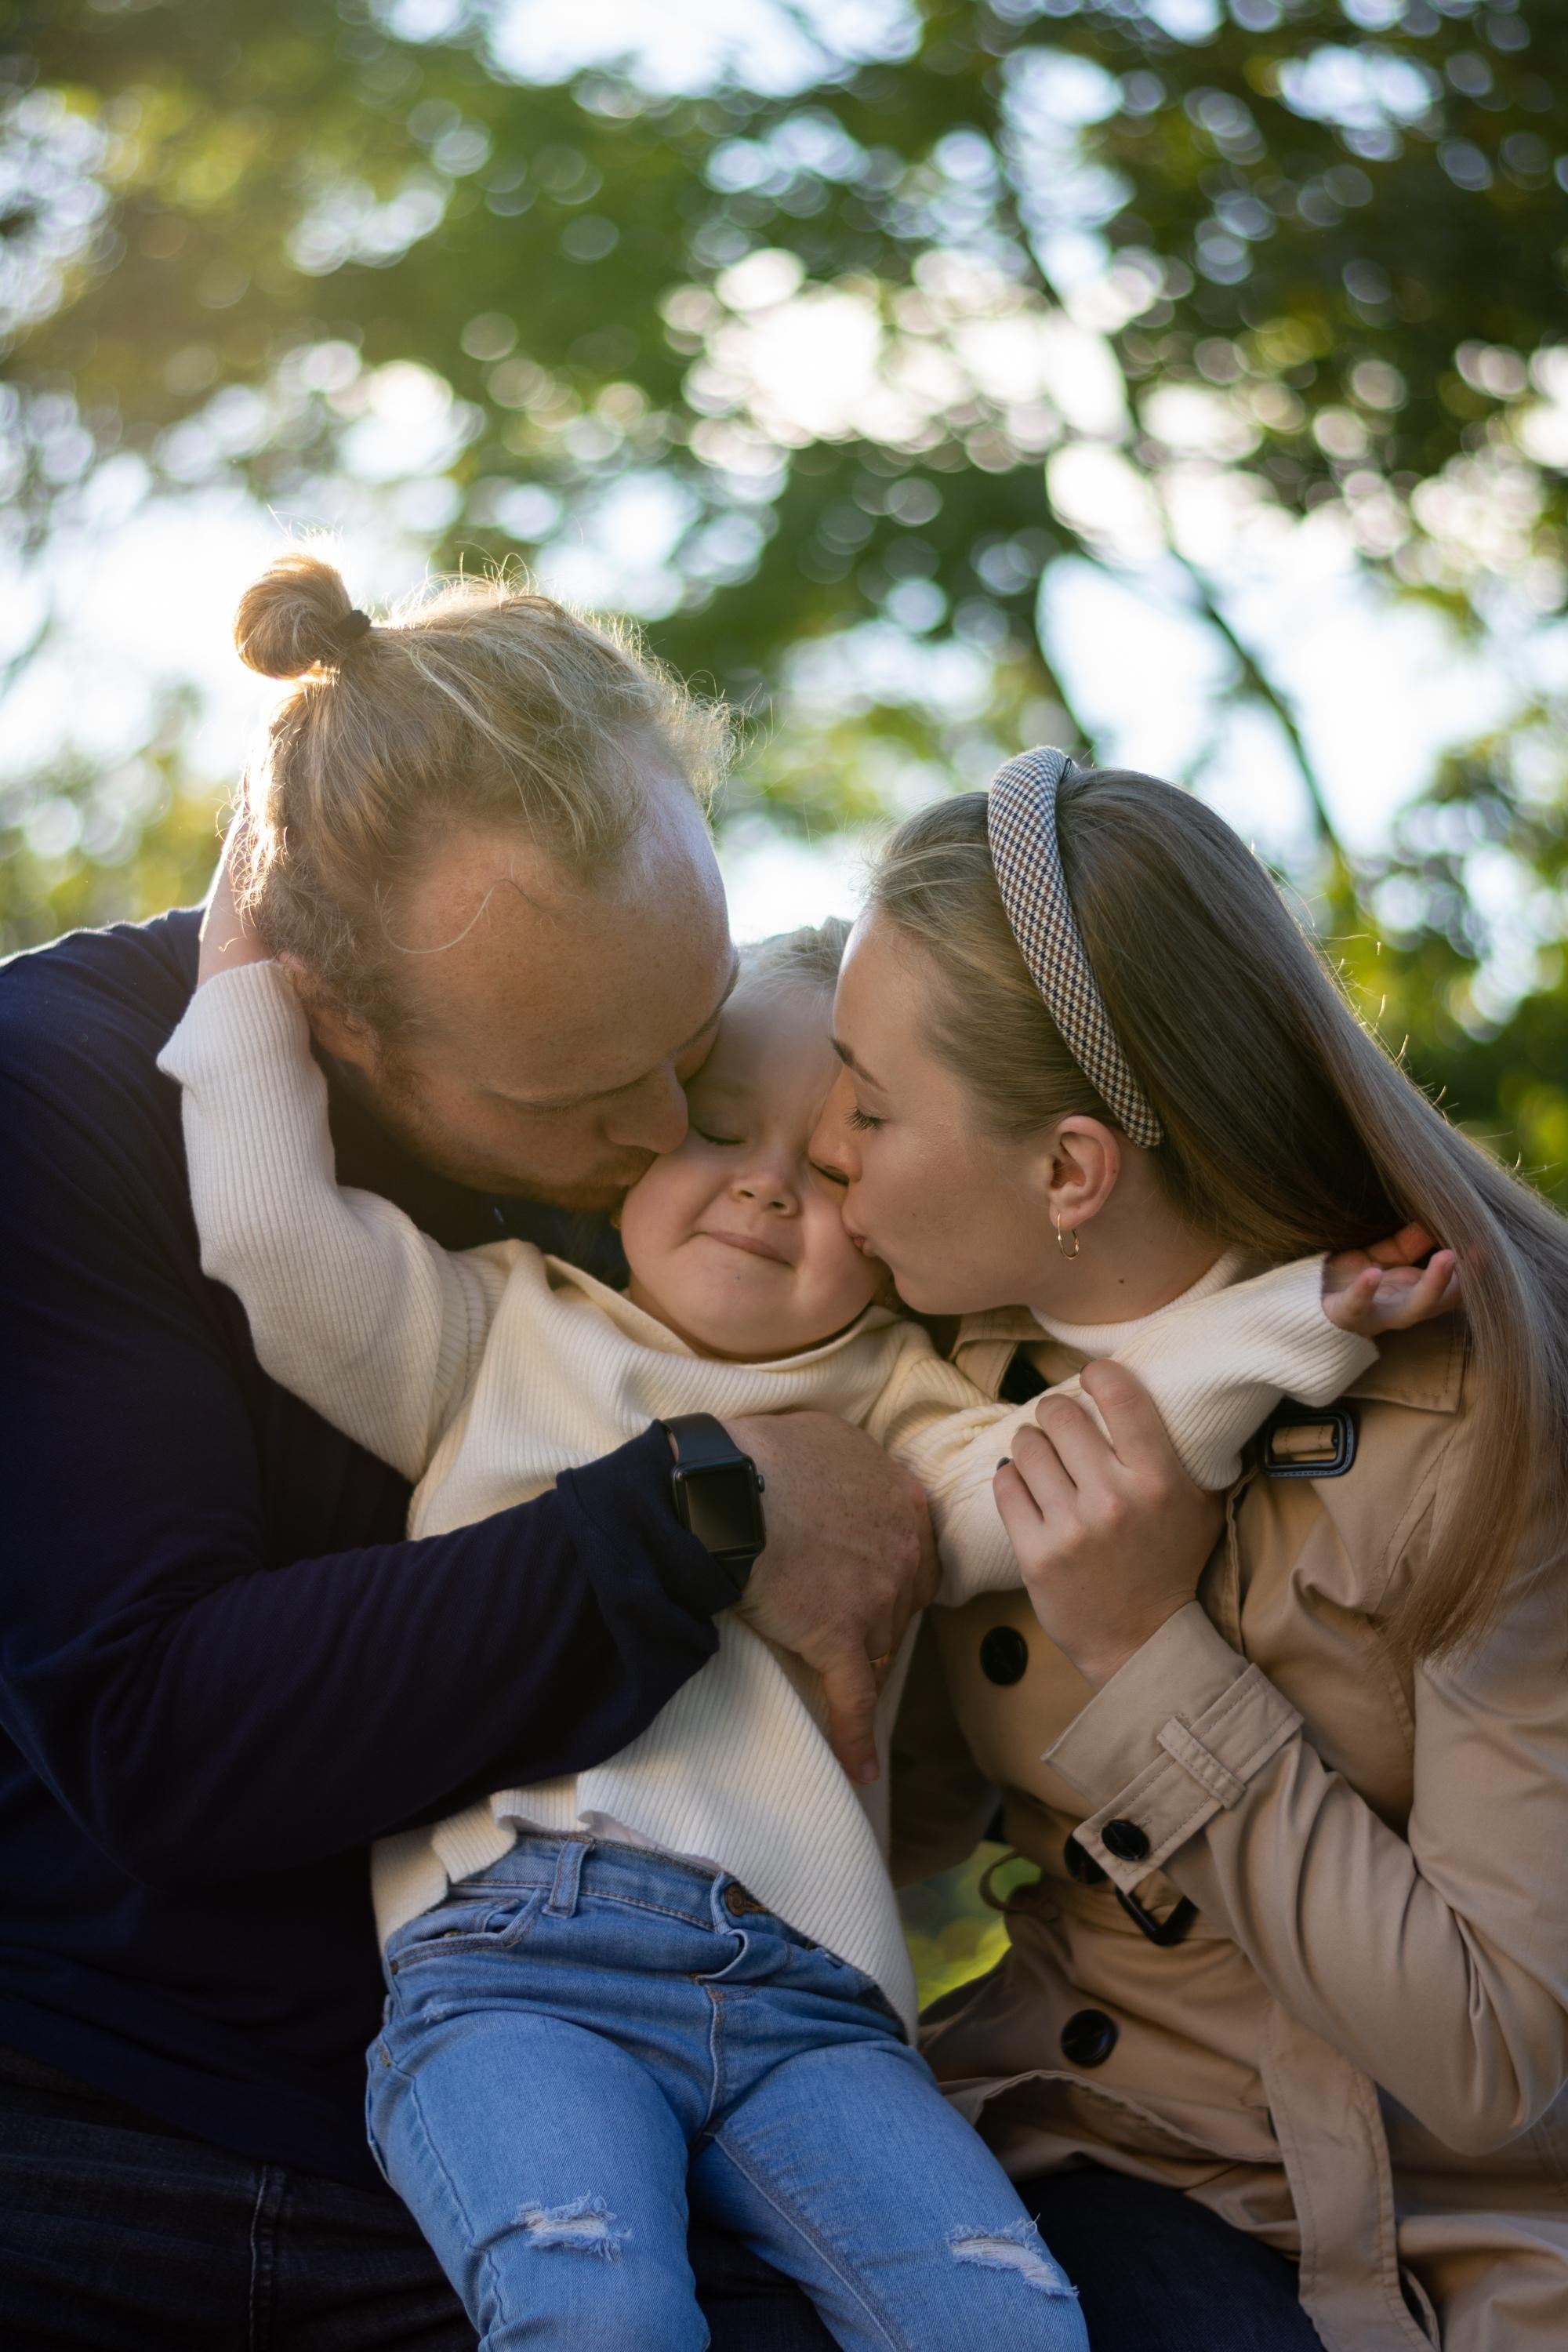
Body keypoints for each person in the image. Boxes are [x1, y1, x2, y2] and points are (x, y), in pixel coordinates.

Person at [161, 731, 1425, 2350]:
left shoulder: (898, 1406)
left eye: (829, 1166)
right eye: (715, 1126)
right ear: (631, 1138)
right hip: (517, 1965)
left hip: (807, 2003)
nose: (764, 1189)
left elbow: (1072, 1463)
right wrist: (247, 947)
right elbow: (272, 1234)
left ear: (888, 1228)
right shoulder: (489, 1330)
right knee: (594, 2309)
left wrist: (1297, 1321)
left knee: (1009, 2324)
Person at [0, 556, 938, 2349]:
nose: (659, 1131)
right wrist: (709, 1507)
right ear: (328, 1008)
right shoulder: (52, 1096)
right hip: (95, 2136)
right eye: (577, 1097)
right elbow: (157, 1727)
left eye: (687, 1044)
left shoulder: (684, 1136)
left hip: (599, 2108)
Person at [811, 747, 1568, 2352]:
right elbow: (895, 1829)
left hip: (1411, 2241)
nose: (828, 1148)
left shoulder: (1482, 1429)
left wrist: (1149, 1649)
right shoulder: (939, 1372)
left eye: (870, 1110)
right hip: (1056, 2142)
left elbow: (1495, 2053)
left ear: (1069, 1170)